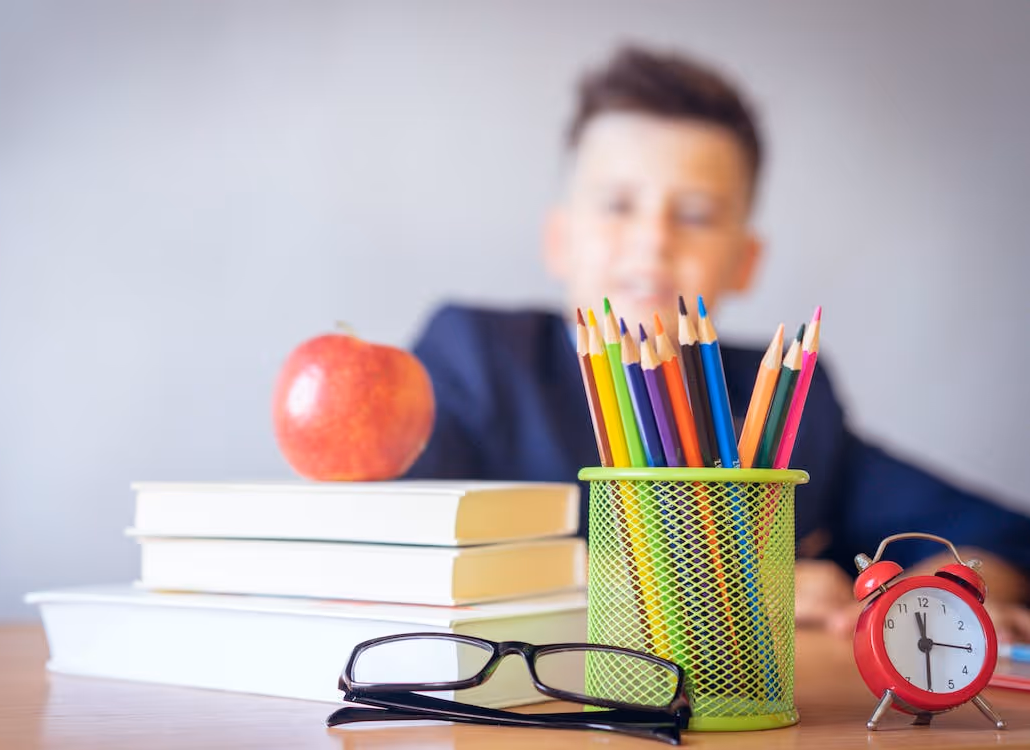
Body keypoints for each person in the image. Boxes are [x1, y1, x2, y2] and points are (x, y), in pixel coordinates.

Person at [404, 45, 1030, 641]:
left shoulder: (785, 397)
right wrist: (733, 591)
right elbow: (401, 547)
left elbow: (995, 533)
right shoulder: (476, 356)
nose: (653, 239)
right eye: (618, 205)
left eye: (697, 215)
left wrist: (947, 590)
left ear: (745, 262)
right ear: (559, 240)